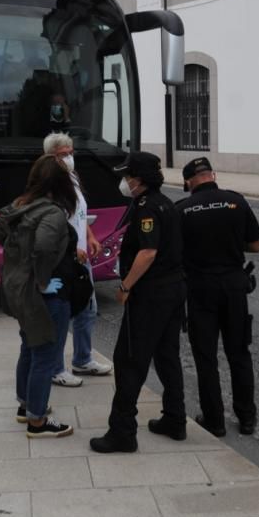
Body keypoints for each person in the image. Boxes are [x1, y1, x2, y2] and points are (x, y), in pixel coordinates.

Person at [90, 151, 187, 453]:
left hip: (151, 294)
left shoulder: (146, 209)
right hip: (173, 291)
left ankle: (122, 432)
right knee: (167, 356)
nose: (124, 181)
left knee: (129, 360)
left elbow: (148, 253)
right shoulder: (166, 203)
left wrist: (125, 285)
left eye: (127, 175)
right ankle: (174, 418)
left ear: (138, 179)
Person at [0, 155, 80, 439]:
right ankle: (37, 421)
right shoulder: (52, 212)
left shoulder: (19, 205)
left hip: (17, 288)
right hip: (42, 294)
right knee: (45, 354)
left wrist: (20, 261)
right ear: (61, 182)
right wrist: (42, 281)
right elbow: (43, 247)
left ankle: (26, 406)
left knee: (29, 347)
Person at [175, 157, 259, 437]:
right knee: (239, 353)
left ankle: (215, 420)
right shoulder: (236, 201)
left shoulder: (182, 209)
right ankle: (247, 418)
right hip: (235, 287)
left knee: (206, 357)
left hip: (200, 289)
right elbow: (256, 245)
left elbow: (175, 253)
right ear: (212, 175)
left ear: (188, 182)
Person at [43, 132, 113, 387]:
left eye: (72, 152)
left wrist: (90, 236)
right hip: (63, 259)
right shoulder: (49, 185)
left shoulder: (71, 177)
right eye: (64, 154)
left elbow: (78, 214)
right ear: (51, 156)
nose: (70, 157)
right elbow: (53, 224)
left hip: (81, 257)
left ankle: (83, 359)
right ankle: (55, 368)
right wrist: (71, 249)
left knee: (88, 309)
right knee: (61, 315)